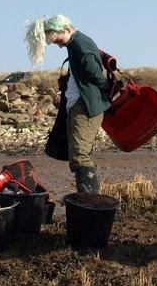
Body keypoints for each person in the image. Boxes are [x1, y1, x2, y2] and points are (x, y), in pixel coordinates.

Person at [26, 15, 112, 193]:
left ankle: (90, 199)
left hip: (85, 106)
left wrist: (107, 90)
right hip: (77, 104)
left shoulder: (80, 43)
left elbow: (96, 75)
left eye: (57, 40)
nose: (58, 45)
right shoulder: (74, 44)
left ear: (66, 29)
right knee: (77, 154)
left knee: (80, 155)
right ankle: (86, 196)